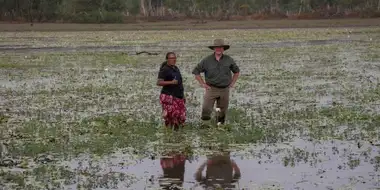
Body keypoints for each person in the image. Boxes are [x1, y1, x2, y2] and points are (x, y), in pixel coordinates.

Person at [192, 39, 240, 126]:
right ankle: (205, 125)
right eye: (217, 47)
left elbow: (236, 72)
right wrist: (203, 84)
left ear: (223, 49)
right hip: (211, 89)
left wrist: (232, 83)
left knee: (221, 110)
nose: (218, 49)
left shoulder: (228, 59)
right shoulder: (207, 60)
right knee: (206, 108)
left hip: (224, 90)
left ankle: (219, 126)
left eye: (220, 47)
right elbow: (196, 71)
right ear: (214, 49)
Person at [157, 52, 186, 130]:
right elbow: (159, 82)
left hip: (178, 96)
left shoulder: (176, 68)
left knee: (181, 116)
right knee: (172, 116)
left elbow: (180, 82)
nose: (173, 60)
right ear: (167, 59)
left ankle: (177, 132)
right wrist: (171, 82)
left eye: (174, 58)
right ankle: (169, 131)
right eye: (171, 58)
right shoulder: (164, 69)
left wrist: (183, 95)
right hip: (168, 96)